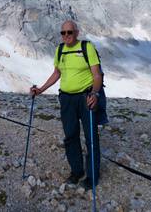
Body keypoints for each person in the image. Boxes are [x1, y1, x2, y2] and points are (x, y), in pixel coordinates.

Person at [30, 20, 102, 189]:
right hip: (66, 99)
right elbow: (57, 73)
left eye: (70, 32)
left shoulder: (87, 47)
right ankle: (76, 171)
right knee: (70, 136)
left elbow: (96, 75)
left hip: (86, 97)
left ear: (76, 33)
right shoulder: (60, 50)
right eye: (63, 33)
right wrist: (41, 89)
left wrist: (95, 93)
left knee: (91, 137)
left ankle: (92, 176)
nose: (66, 36)